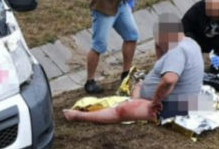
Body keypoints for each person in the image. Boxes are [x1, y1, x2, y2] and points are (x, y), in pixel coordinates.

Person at [64, 13, 204, 123]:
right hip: (187, 101)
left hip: (170, 106)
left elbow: (169, 80)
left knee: (121, 110)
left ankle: (78, 116)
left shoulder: (177, 51)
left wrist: (155, 101)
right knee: (138, 88)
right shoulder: (189, 43)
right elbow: (166, 65)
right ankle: (136, 98)